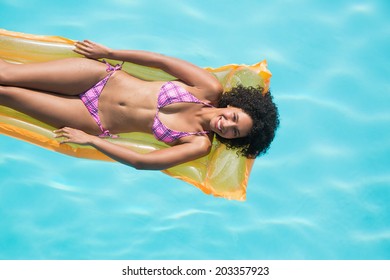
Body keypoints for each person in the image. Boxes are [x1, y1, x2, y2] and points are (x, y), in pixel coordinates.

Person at [0, 40, 279, 170]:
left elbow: (142, 162)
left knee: (7, 96)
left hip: (93, 120)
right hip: (100, 77)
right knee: (6, 75)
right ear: (236, 105)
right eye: (233, 118)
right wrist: (109, 53)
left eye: (233, 132)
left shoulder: (198, 144)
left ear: (232, 141)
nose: (226, 125)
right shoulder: (208, 88)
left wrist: (90, 141)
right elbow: (161, 60)